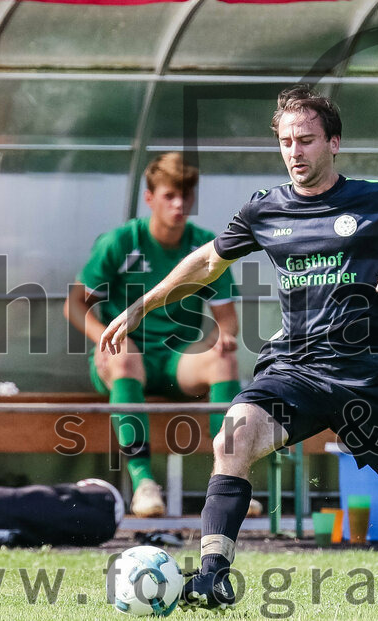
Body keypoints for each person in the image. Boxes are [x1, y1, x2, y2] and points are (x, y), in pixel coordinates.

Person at [100, 86, 378, 617]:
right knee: (233, 438)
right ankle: (214, 575)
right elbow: (207, 262)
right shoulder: (265, 209)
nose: (294, 152)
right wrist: (142, 305)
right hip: (295, 370)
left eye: (306, 140)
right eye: (286, 141)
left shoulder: (376, 200)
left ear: (334, 143)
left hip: (371, 379)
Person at [65, 152, 248, 519]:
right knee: (123, 354)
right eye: (169, 195)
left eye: (186, 196)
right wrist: (105, 336)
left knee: (225, 359)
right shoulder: (120, 241)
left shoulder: (205, 245)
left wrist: (224, 336)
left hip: (177, 362)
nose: (179, 205)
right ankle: (144, 483)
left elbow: (227, 319)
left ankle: (228, 482)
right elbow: (74, 305)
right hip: (126, 363)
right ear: (149, 198)